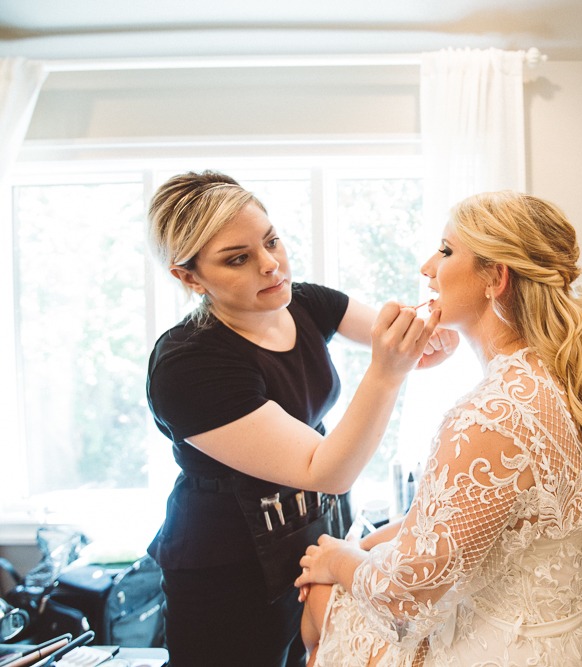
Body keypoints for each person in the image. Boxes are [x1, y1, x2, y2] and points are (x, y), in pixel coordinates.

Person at [293, 191, 582, 666]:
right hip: (567, 644)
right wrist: (363, 544)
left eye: (447, 251)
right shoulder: (555, 376)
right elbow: (463, 517)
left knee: (320, 600)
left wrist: (334, 560)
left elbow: (403, 596)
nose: (427, 266)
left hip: (502, 653)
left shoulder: (492, 415)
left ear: (496, 277)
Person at [145, 170, 457, 666]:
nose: (271, 266)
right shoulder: (188, 365)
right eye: (238, 259)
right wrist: (387, 372)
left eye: (271, 241)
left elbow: (397, 337)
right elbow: (327, 469)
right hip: (227, 570)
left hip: (310, 537)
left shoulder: (305, 302)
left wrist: (429, 339)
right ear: (188, 276)